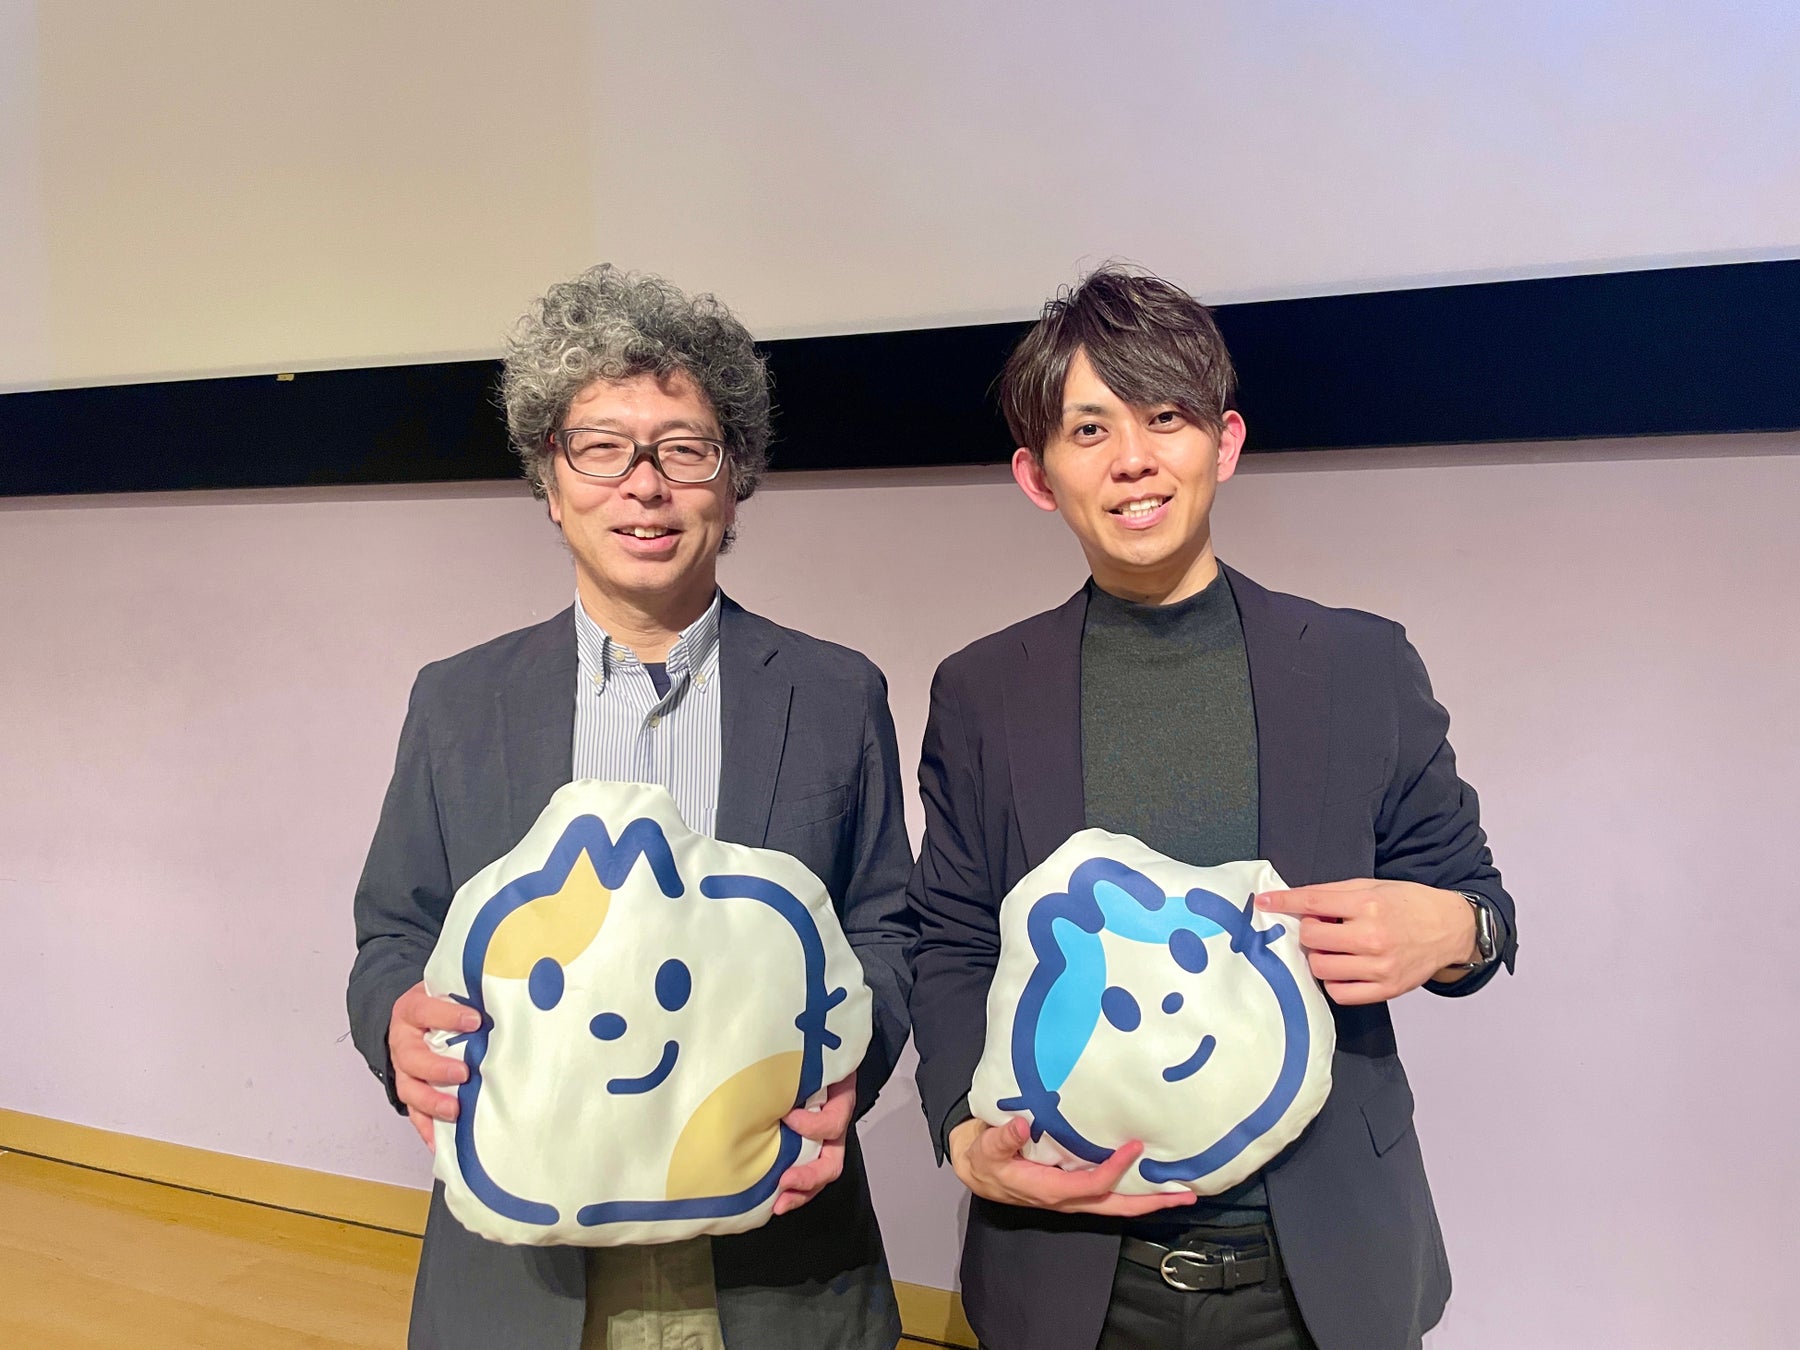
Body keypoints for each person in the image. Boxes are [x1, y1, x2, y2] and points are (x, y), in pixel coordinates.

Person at [907, 267, 1516, 1350]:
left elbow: (1477, 903)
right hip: (1075, 1264)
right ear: (1038, 475)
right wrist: (960, 1126)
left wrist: (1456, 931)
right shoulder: (984, 691)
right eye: (1088, 429)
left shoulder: (1360, 665)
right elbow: (952, 938)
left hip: (1323, 1265)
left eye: (1166, 417)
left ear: (1223, 444)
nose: (1132, 459)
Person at [347, 265, 913, 1350]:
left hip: (776, 1256)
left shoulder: (836, 694)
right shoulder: (459, 701)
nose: (643, 486)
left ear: (733, 482)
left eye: (684, 450)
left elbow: (888, 927)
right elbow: (394, 932)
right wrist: (394, 1022)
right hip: (528, 1263)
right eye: (601, 448)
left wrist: (847, 1063)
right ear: (551, 482)